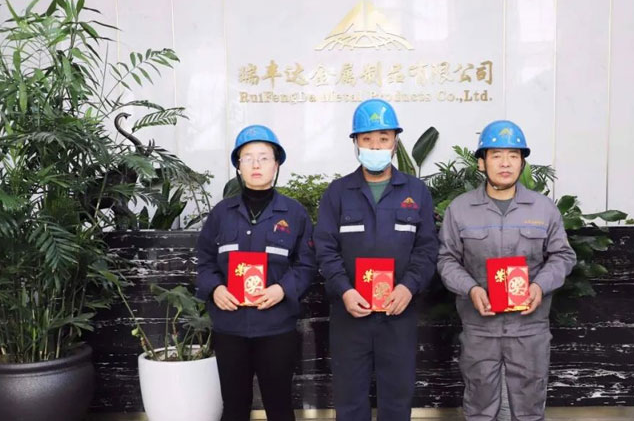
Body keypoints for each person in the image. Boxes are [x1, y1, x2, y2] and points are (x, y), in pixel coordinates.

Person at [437, 120, 576, 421]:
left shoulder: (543, 208)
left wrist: (539, 286)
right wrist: (472, 289)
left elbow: (563, 256)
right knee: (479, 409)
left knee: (529, 410)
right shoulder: (460, 209)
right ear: (481, 162)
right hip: (479, 328)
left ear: (522, 162)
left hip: (529, 328)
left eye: (513, 155)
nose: (505, 163)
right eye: (496, 155)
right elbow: (446, 260)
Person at [314, 99, 439, 421]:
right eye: (367, 139)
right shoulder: (338, 193)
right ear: (355, 143)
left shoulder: (416, 192)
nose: (375, 146)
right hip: (350, 313)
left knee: (397, 397)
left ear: (395, 143)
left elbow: (426, 249)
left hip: (399, 312)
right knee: (349, 397)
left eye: (383, 138)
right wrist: (345, 290)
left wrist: (408, 287)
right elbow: (325, 249)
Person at [195, 125, 317, 421]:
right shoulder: (221, 214)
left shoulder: (295, 214)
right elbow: (204, 261)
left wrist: (282, 289)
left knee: (279, 406)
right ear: (238, 166)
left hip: (276, 327)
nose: (256, 164)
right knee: (234, 406)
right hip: (230, 327)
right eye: (247, 158)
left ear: (277, 164)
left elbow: (306, 264)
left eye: (264, 157)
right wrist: (215, 289)